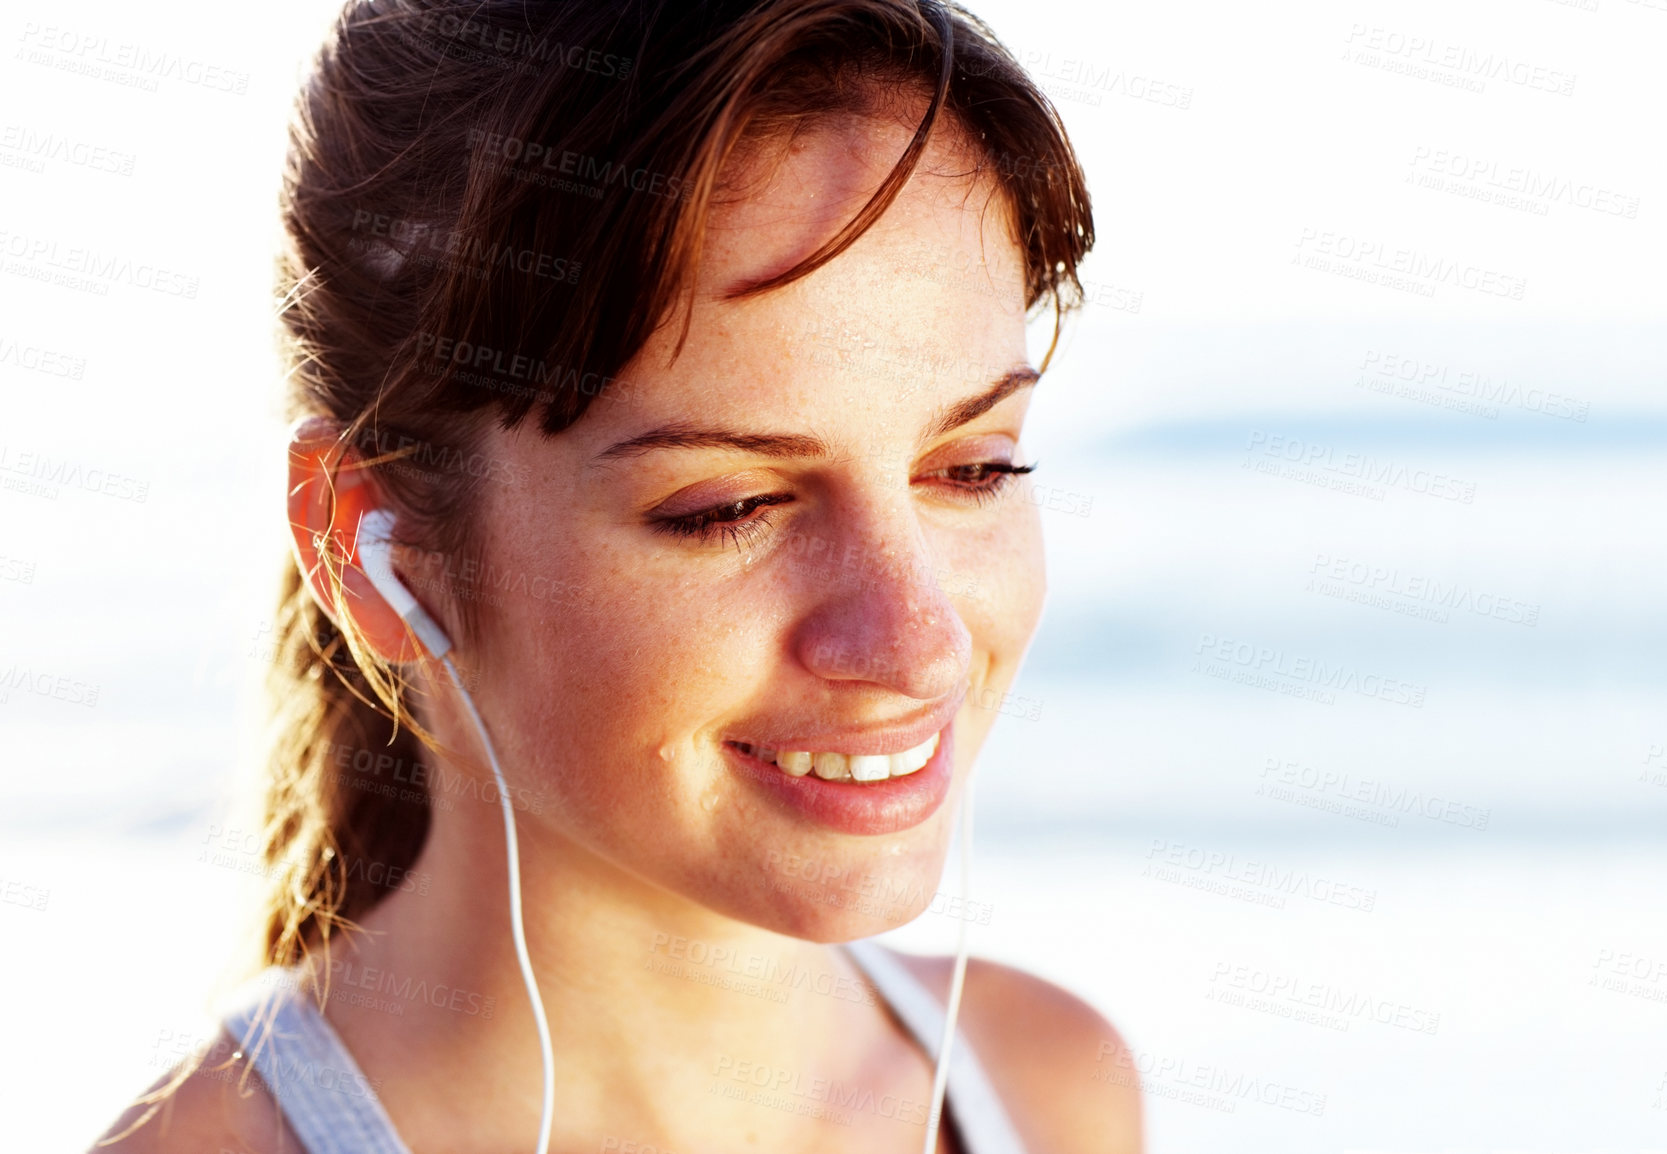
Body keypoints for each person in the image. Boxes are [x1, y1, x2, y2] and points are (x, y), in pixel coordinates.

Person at [94, 1, 1140, 1151]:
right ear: (372, 545)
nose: (916, 640)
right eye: (727, 508)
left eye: (973, 467)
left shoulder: (1051, 1087)